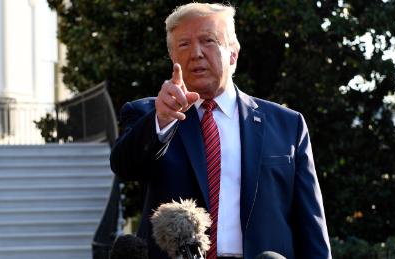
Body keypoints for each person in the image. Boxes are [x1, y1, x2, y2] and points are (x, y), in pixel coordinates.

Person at [110, 3, 331, 259]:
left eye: (208, 41)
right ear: (173, 58)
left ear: (233, 54)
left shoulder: (287, 124)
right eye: (184, 45)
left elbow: (310, 224)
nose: (196, 53)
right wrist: (161, 119)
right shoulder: (149, 115)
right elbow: (124, 167)